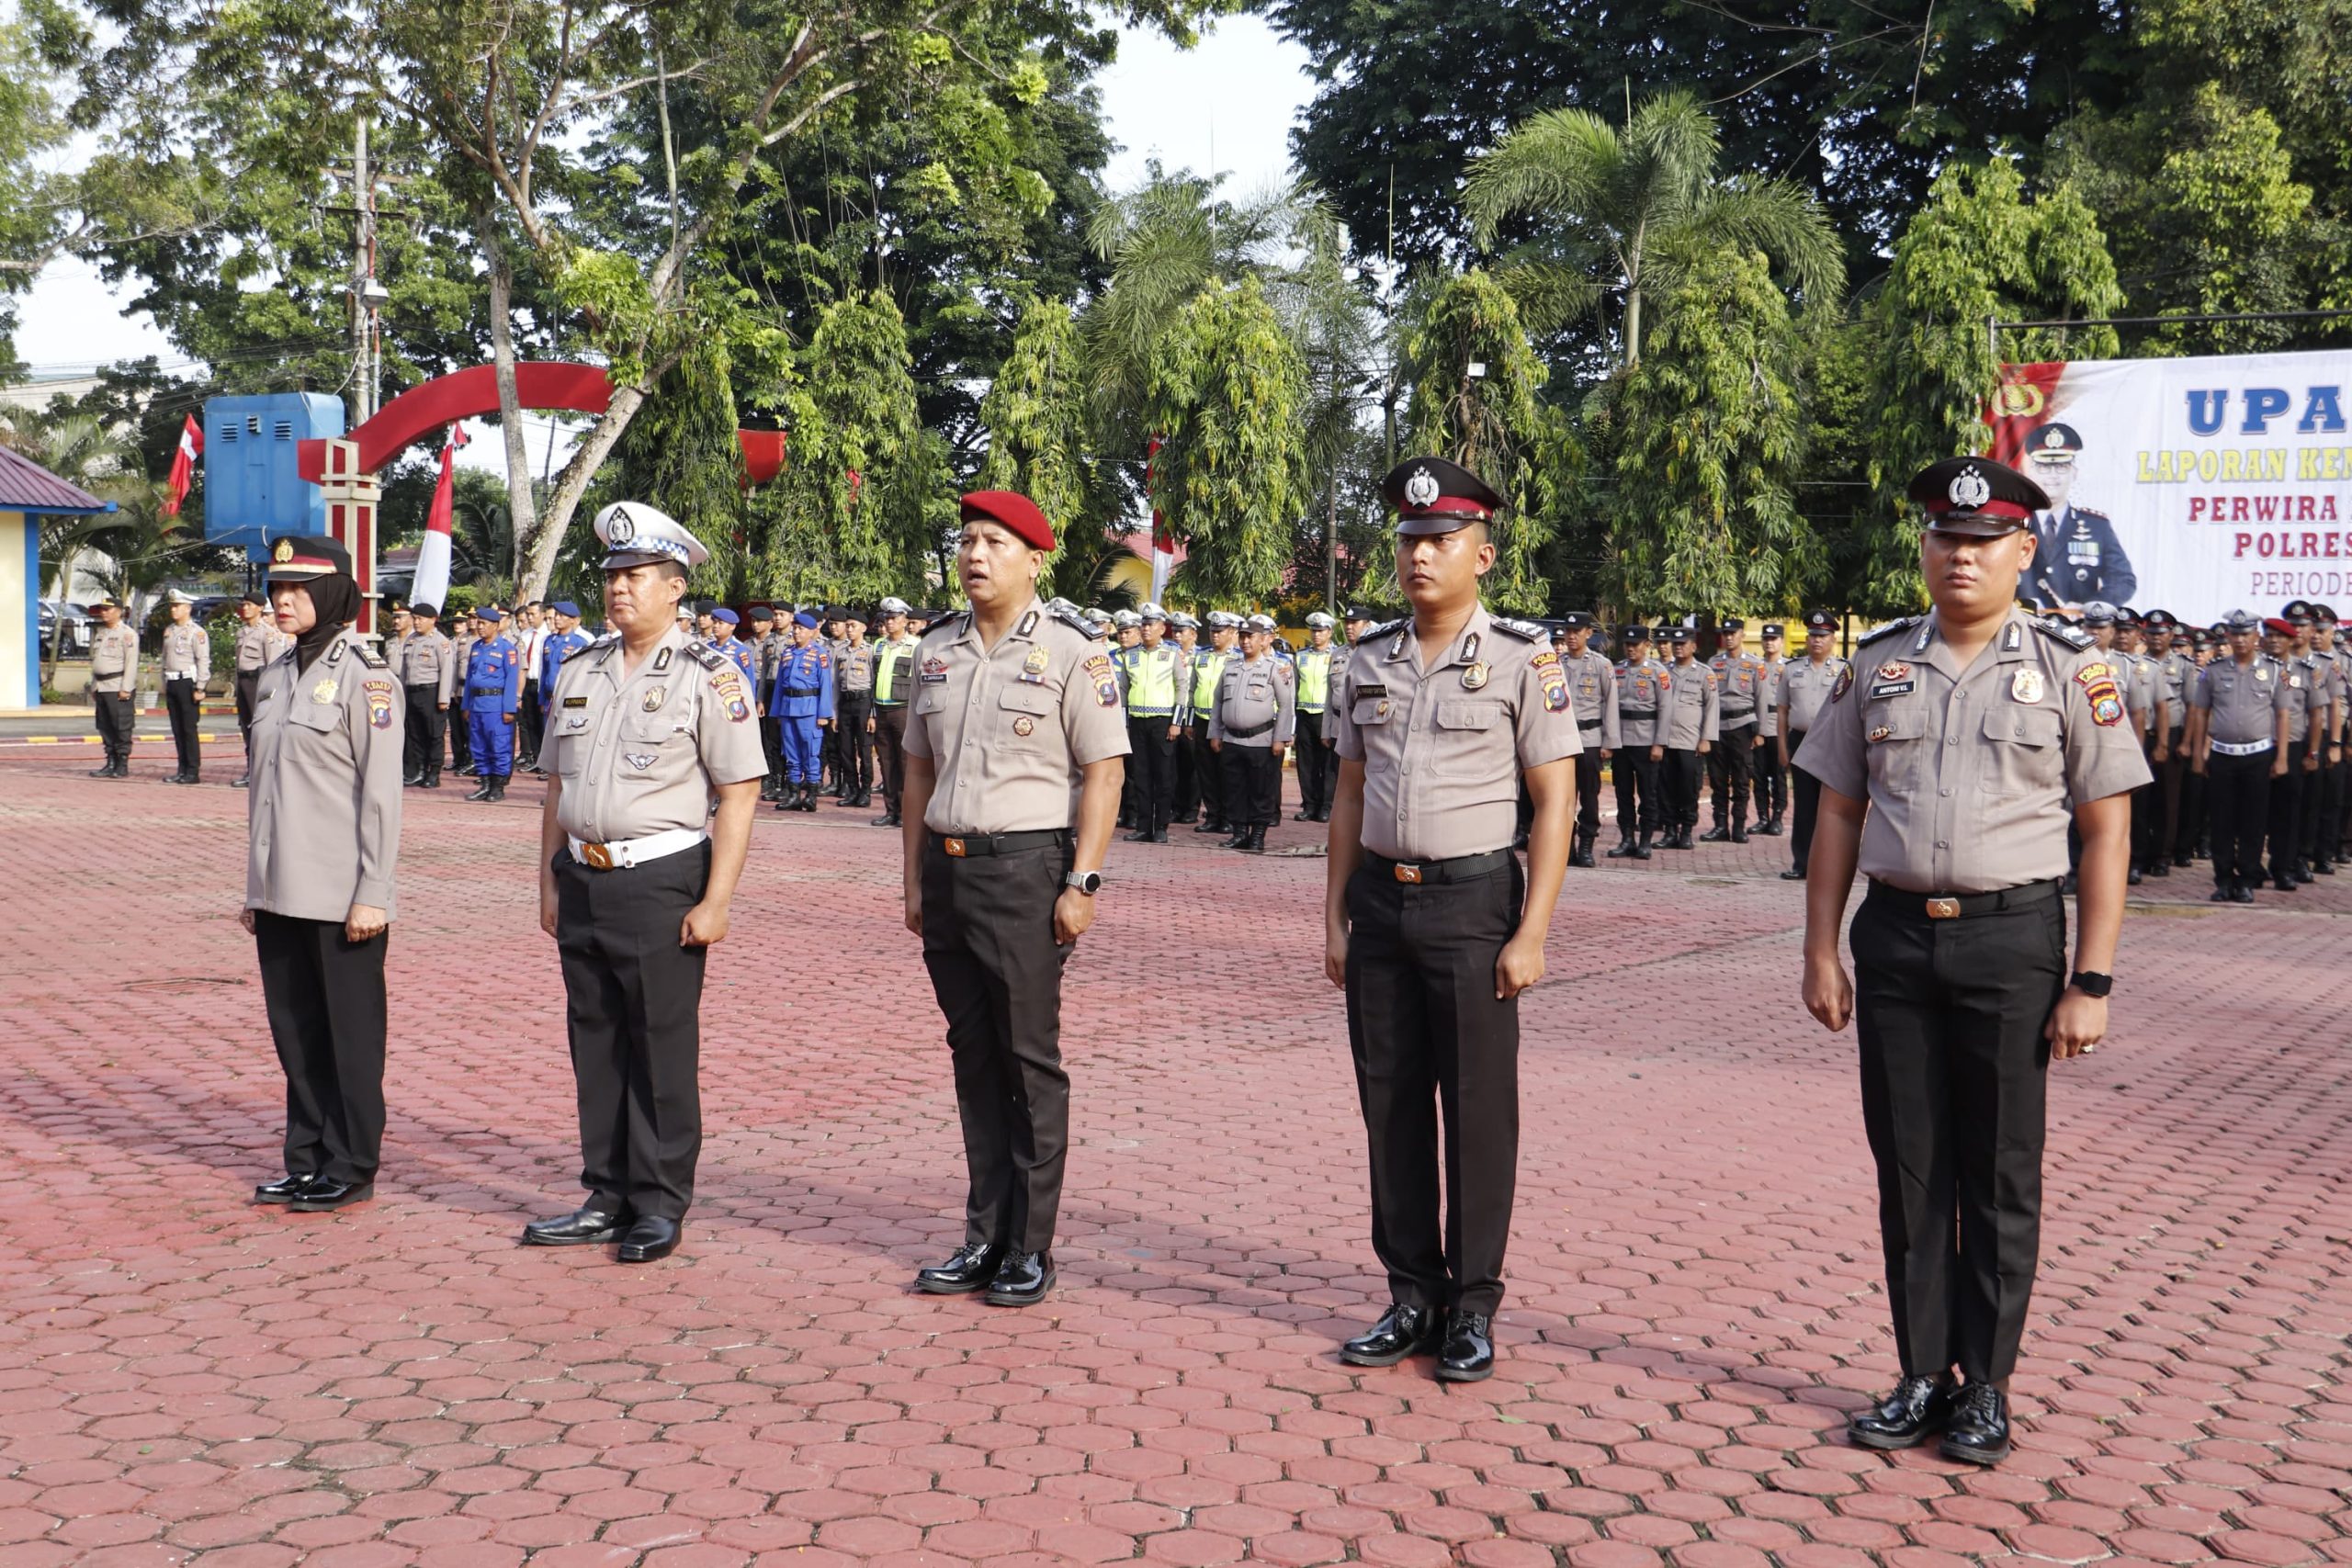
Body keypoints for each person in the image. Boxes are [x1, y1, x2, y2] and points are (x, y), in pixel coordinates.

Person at [1796, 455, 2149, 1467]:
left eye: (1983, 541)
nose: (1961, 556)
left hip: (2012, 940)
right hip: (1897, 938)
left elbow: (2106, 831)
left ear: (2021, 551)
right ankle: (1920, 1373)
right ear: (1924, 548)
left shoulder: (2070, 670)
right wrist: (1820, 947)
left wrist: (2092, 979)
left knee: (1998, 1172)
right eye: (1945, 538)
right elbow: (1835, 813)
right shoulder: (1877, 666)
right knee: (1909, 1170)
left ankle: (1985, 1386)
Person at [1324, 456, 1577, 1382]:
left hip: (1474, 905)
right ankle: (1409, 1294)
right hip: (1380, 905)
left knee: (1475, 1109)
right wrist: (1333, 919)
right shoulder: (1367, 659)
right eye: (1408, 542)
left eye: (1439, 542)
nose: (1419, 556)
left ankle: (1470, 1305)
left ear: (1483, 554)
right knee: (1387, 1104)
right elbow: (1347, 796)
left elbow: (1556, 801)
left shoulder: (1520, 659)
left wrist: (1534, 931)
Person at [899, 491, 1127, 1308]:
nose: (975, 554)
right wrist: (913, 874)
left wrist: (1083, 879)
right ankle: (983, 1234)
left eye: (994, 542)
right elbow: (917, 769)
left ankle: (1029, 1246)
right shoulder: (933, 651)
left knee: (1028, 1061)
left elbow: (1106, 770)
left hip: (1028, 871)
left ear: (1036, 559)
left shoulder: (1073, 653)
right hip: (950, 871)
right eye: (966, 540)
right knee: (973, 1059)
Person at [525, 502, 765, 1264]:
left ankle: (660, 1200)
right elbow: (557, 789)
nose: (619, 589)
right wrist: (548, 881)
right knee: (593, 1040)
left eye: (635, 577)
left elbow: (740, 792)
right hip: (584, 877)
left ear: (674, 590)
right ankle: (607, 1191)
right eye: (612, 577)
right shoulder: (580, 668)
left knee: (660, 1044)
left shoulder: (709, 674)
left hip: (661, 878)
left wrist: (717, 899)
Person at [243, 535, 403, 1213]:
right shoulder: (275, 674)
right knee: (296, 1034)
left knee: (349, 1037)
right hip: (281, 891)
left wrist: (374, 892)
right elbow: (264, 791)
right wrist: (256, 887)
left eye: (297, 589)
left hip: (341, 897)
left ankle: (351, 1161)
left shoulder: (369, 679)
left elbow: (381, 796)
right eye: (276, 588)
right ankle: (305, 1158)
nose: (282, 600)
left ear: (334, 593)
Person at [2022, 423, 2136, 609]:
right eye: (2044, 467)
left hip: (2078, 630)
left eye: (2061, 467)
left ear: (2074, 473)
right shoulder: (2017, 524)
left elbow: (2123, 580)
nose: (2053, 476)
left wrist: (2092, 607)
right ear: (2031, 473)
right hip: (2023, 626)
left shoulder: (2096, 527)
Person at [1209, 613, 1295, 854]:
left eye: (1251, 637)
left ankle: (1257, 836)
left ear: (1262, 640)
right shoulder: (1230, 667)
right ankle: (1238, 834)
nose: (1246, 641)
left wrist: (1280, 738)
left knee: (1261, 791)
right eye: (1243, 637)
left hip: (1261, 741)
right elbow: (1217, 702)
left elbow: (1286, 704)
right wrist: (1214, 733)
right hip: (1232, 739)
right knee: (1234, 789)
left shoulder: (1273, 669)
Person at [1775, 610, 1848, 881]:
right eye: (1813, 636)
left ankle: (1829, 865)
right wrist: (1782, 747)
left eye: (1823, 636)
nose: (1817, 640)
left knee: (1831, 807)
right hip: (1800, 740)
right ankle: (1802, 863)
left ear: (1833, 639)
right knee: (1804, 807)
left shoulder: (1843, 670)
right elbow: (1782, 710)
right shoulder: (1792, 670)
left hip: (1832, 742)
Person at [1113, 604, 1188, 843]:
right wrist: (1124, 724)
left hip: (1163, 722)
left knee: (1164, 777)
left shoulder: (1172, 654)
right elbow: (1123, 691)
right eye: (1143, 624)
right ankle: (1143, 826)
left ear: (1161, 628)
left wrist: (1176, 722)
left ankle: (1161, 826)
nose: (1146, 629)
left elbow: (1182, 688)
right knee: (1141, 776)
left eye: (1150, 625)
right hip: (1137, 722)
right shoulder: (1131, 655)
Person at [1555, 613, 1614, 867]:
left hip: (1590, 739)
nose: (1571, 636)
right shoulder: (1556, 664)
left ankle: (1587, 845)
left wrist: (1609, 742)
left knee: (1589, 797)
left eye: (1577, 631)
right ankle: (1566, 847)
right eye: (1568, 631)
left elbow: (1610, 704)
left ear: (1589, 633)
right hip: (1562, 739)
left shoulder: (1601, 665)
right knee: (1562, 797)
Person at [1656, 625, 1717, 849]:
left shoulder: (1704, 673)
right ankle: (1670, 831)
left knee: (1689, 788)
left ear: (1693, 646)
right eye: (1676, 644)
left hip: (1690, 740)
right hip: (1666, 739)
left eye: (1683, 644)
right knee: (1666, 787)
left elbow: (1712, 707)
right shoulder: (1663, 671)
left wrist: (1706, 738)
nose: (1678, 648)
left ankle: (1687, 831)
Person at [1702, 617, 1764, 841]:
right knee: (1717, 779)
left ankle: (1738, 826)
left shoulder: (1755, 664)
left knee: (1741, 778)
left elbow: (1761, 698)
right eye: (1726, 634)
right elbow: (1708, 699)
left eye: (1733, 633)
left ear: (1742, 635)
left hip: (1742, 725)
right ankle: (1720, 826)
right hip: (1718, 726)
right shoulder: (1714, 663)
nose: (1729, 638)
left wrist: (1760, 733)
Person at [1607, 625, 1664, 859]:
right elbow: (1609, 708)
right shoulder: (1617, 670)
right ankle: (1627, 838)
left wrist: (1659, 743)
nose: (1631, 649)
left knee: (1647, 794)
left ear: (1647, 646)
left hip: (1646, 739)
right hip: (1622, 740)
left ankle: (1646, 840)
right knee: (1623, 793)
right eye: (1627, 645)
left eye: (1636, 645)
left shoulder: (1657, 673)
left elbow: (1665, 708)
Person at [769, 611, 835, 812]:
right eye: (795, 628)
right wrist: (777, 711)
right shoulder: (788, 652)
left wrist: (824, 714)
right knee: (790, 753)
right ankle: (794, 794)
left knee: (810, 752)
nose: (797, 632)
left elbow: (826, 685)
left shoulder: (819, 654)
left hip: (809, 707)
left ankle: (812, 795)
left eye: (801, 629)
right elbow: (780, 684)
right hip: (788, 706)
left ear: (812, 631)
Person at [868, 598, 921, 826]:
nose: (889, 623)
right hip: (881, 709)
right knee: (886, 762)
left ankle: (906, 812)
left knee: (905, 762)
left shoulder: (917, 645)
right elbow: (872, 680)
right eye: (886, 619)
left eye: (894, 618)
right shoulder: (878, 645)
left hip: (904, 710)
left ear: (905, 620)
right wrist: (871, 712)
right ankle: (891, 810)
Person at [461, 607, 522, 801]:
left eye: (483, 623)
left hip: (496, 705)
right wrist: (466, 705)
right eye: (478, 623)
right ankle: (485, 783)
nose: (479, 627)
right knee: (479, 746)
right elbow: (470, 679)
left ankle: (498, 787)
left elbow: (512, 679)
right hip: (477, 704)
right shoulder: (476, 647)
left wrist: (509, 708)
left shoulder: (507, 649)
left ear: (495, 626)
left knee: (499, 745)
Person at [231, 594, 290, 788]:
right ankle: (251, 770)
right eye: (243, 605)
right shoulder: (242, 632)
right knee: (247, 728)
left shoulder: (267, 633)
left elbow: (272, 664)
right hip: (243, 682)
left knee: (261, 729)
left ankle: (263, 772)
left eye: (248, 605)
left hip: (258, 682)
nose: (244, 608)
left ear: (259, 608)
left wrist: (270, 693)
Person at [1188, 613, 1240, 835]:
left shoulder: (1237, 658)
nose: (1215, 635)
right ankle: (1213, 815)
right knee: (1206, 771)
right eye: (1213, 631)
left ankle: (1229, 817)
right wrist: (1188, 721)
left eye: (1220, 631)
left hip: (1226, 722)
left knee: (1227, 771)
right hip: (1202, 719)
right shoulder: (1201, 657)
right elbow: (1191, 691)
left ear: (1232, 633)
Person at [1291, 612, 1341, 822]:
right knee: (1306, 762)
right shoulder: (1301, 656)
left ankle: (1327, 805)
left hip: (1324, 713)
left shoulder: (1336, 655)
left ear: (1329, 632)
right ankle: (1309, 804)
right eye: (1314, 631)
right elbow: (1294, 688)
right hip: (1304, 713)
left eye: (1321, 631)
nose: (1316, 635)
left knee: (1328, 763)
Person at [399, 604, 457, 789]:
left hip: (431, 692)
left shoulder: (440, 642)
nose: (417, 622)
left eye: (420, 619)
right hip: (412, 692)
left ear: (433, 620)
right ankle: (419, 770)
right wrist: (401, 695)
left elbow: (447, 671)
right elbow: (403, 671)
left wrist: (443, 698)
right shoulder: (411, 640)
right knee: (415, 734)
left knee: (434, 734)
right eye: (414, 618)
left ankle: (434, 772)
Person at [532, 602, 592, 776]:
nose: (557, 619)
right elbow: (545, 673)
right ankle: (552, 778)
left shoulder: (580, 643)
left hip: (569, 699)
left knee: (567, 741)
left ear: (574, 620)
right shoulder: (549, 641)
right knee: (549, 739)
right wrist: (542, 699)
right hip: (551, 698)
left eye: (561, 616)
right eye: (556, 615)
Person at [160, 589, 211, 784]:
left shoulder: (196, 632)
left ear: (187, 608)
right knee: (177, 728)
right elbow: (165, 659)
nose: (173, 610)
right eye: (172, 606)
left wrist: (200, 687)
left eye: (177, 606)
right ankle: (181, 768)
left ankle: (192, 771)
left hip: (187, 682)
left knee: (189, 729)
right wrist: (163, 681)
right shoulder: (170, 631)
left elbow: (203, 660)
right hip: (172, 681)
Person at [85, 594, 139, 779]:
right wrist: (94, 686)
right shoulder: (101, 633)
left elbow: (131, 663)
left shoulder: (127, 634)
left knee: (121, 726)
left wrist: (127, 688)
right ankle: (110, 762)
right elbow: (96, 662)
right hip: (101, 686)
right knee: (105, 726)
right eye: (102, 609)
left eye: (107, 610)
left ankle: (122, 763)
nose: (103, 613)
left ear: (119, 612)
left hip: (117, 686)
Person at [833, 611, 876, 807]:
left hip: (863, 702)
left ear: (863, 628)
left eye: (853, 626)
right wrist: (833, 713)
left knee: (864, 750)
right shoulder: (841, 652)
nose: (849, 630)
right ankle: (852, 789)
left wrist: (872, 714)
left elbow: (875, 683)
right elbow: (835, 684)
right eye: (848, 626)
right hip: (845, 702)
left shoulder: (870, 651)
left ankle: (865, 791)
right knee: (845, 749)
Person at [1751, 622, 1789, 835]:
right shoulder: (1755, 667)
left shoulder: (1789, 668)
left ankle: (1777, 818)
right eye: (1766, 639)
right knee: (1758, 777)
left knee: (1778, 776)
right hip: (1759, 729)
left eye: (1773, 639)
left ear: (1781, 642)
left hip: (1779, 729)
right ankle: (1762, 817)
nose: (1769, 643)